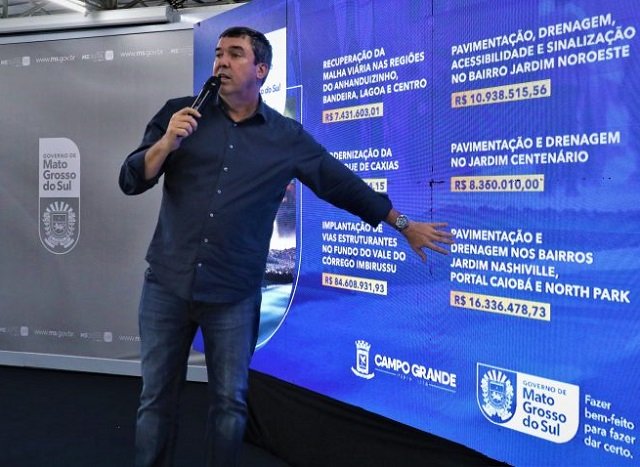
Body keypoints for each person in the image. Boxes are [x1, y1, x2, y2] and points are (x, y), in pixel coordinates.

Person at [119, 26, 453, 467]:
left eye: (235, 54)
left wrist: (403, 224)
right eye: (218, 54)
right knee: (156, 400)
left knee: (229, 405)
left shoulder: (286, 137)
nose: (221, 62)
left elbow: (341, 184)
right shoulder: (179, 114)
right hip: (167, 285)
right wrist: (166, 143)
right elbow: (131, 180)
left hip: (233, 294)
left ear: (261, 70)